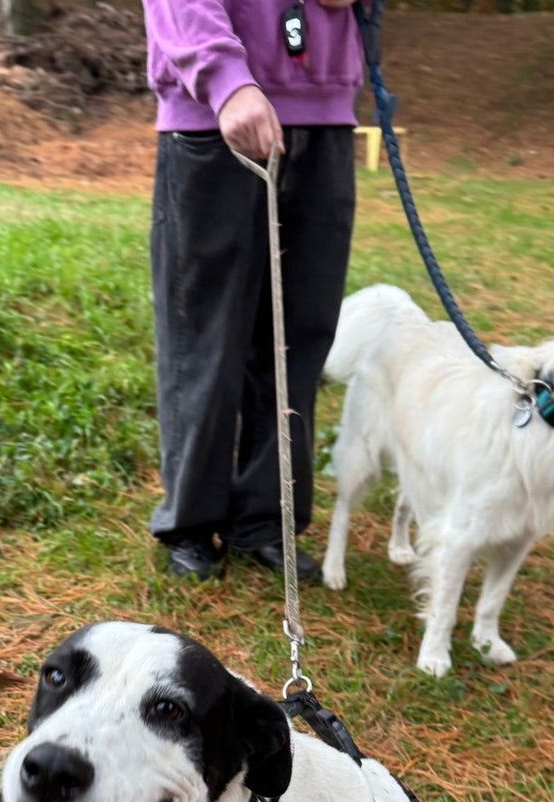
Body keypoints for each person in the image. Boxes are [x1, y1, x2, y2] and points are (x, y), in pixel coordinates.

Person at [142, 0, 363, 581]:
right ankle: (189, 522)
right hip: (214, 117)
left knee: (298, 333)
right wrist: (225, 79)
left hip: (325, 114)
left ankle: (267, 518)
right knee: (203, 334)